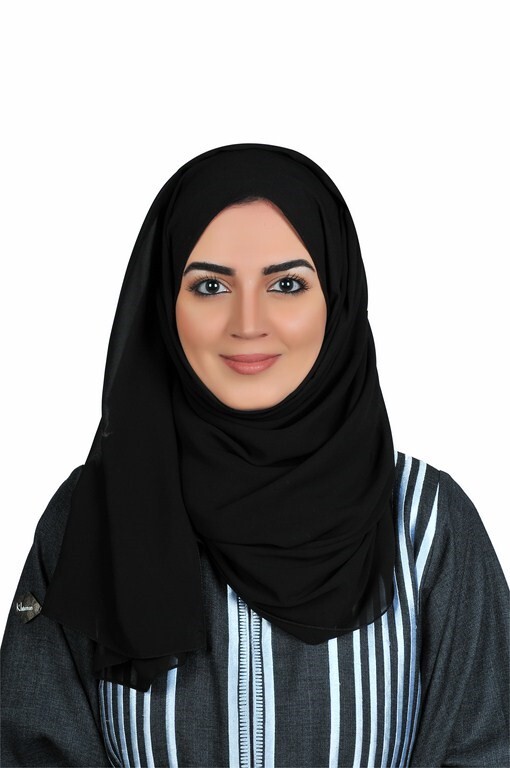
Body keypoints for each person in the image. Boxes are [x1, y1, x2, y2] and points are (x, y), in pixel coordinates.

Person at [1, 143, 508, 768]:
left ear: (338, 298)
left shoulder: (426, 525)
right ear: (164, 304)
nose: (247, 323)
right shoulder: (94, 517)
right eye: (210, 286)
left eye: (286, 284)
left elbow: (485, 750)